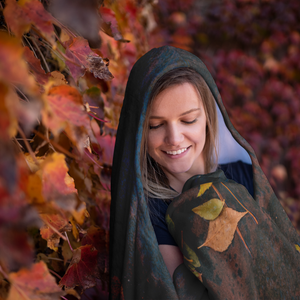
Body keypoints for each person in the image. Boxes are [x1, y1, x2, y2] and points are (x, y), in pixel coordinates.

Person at [109, 46, 300, 299]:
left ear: (209, 117)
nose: (174, 138)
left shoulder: (243, 175)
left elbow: (282, 258)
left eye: (188, 120)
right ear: (138, 129)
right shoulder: (148, 210)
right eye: (155, 125)